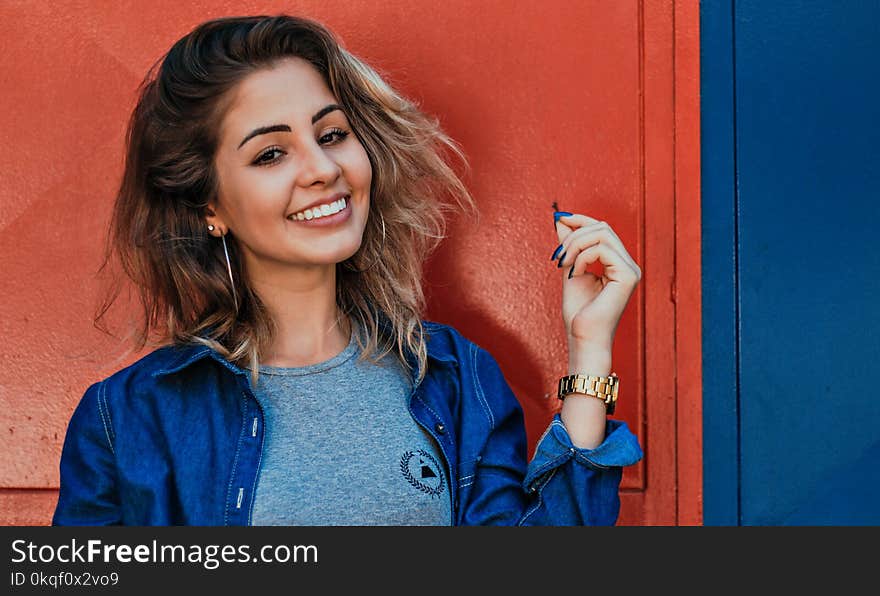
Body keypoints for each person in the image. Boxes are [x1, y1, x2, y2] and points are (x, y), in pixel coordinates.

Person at [52, 14, 643, 526]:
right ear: (210, 207)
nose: (322, 168)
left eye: (332, 134)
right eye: (271, 153)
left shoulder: (455, 379)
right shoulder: (128, 418)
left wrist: (588, 355)